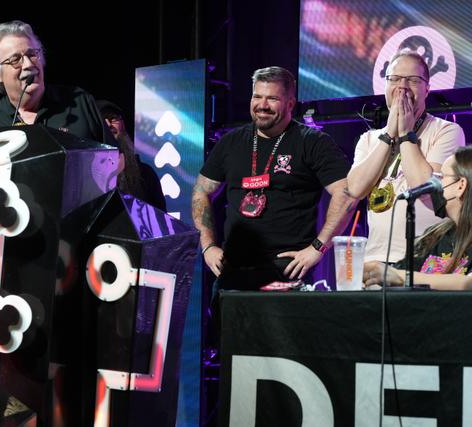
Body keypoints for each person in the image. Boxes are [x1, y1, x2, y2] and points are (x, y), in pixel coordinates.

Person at [191, 66, 357, 290]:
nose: (262, 105)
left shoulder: (312, 142)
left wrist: (318, 247)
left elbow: (346, 194)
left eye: (272, 98)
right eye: (257, 96)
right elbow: (202, 190)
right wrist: (208, 246)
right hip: (234, 270)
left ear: (290, 103)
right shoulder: (231, 142)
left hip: (286, 270)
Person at [347, 50, 465, 263]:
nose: (402, 86)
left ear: (427, 89)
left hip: (427, 260)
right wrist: (388, 134)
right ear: (386, 86)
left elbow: (425, 189)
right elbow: (355, 189)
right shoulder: (368, 139)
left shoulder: (446, 130)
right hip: (375, 260)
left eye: (412, 80)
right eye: (395, 79)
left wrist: (405, 133)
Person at [0, 20, 116, 147]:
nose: (28, 64)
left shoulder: (80, 102)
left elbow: (117, 158)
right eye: (15, 59)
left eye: (32, 54)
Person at [363, 146, 472, 290]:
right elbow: (401, 270)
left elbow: (467, 283)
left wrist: (398, 276)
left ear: (461, 185)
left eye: (442, 177)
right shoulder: (435, 235)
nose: (436, 183)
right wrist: (372, 274)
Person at [96, 100, 167, 211]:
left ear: (123, 125)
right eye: (102, 119)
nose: (109, 124)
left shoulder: (146, 174)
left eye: (113, 118)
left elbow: (160, 219)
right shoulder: (86, 174)